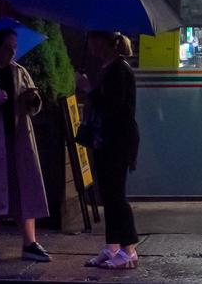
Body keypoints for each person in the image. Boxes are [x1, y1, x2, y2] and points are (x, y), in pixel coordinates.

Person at [0, 29, 51, 263]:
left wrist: (32, 101)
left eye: (14, 47)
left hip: (17, 138)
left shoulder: (19, 71)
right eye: (7, 47)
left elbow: (33, 102)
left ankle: (29, 242)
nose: (12, 51)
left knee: (24, 186)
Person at [81, 31, 140, 269]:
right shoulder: (108, 67)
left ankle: (129, 250)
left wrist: (88, 89)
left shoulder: (119, 69)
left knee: (116, 195)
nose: (90, 45)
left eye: (93, 40)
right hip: (106, 140)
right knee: (107, 194)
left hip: (118, 141)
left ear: (103, 43)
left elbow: (114, 107)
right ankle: (112, 245)